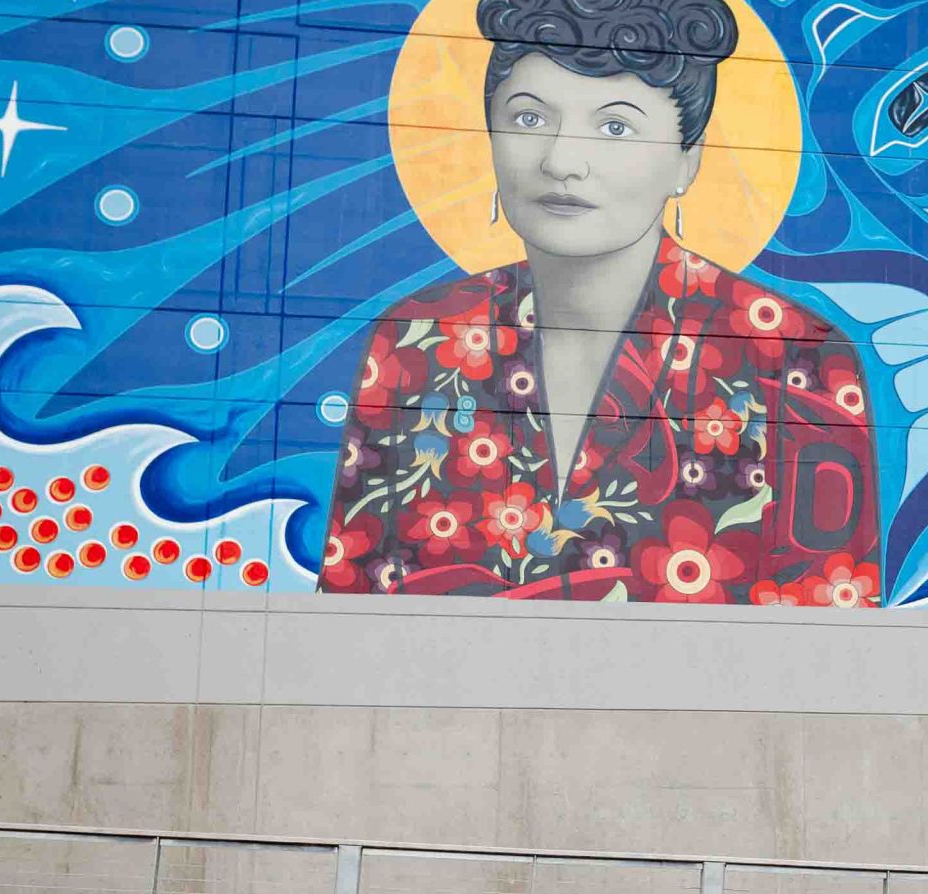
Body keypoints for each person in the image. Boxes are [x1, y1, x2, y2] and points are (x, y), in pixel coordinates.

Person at [318, 0, 880, 604]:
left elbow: (833, 636)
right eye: (529, 119)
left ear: (686, 162)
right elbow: (352, 606)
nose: (560, 162)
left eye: (615, 127)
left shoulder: (793, 355)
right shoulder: (415, 341)